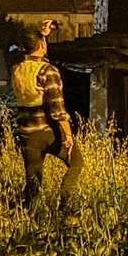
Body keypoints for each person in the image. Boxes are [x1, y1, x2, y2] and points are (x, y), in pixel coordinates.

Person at [10, 19, 82, 207]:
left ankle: (30, 222)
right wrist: (67, 135)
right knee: (76, 162)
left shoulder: (17, 70)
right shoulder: (48, 71)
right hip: (47, 132)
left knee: (33, 181)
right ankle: (67, 205)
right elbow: (57, 109)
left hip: (27, 134)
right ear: (42, 45)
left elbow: (28, 49)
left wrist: (41, 33)